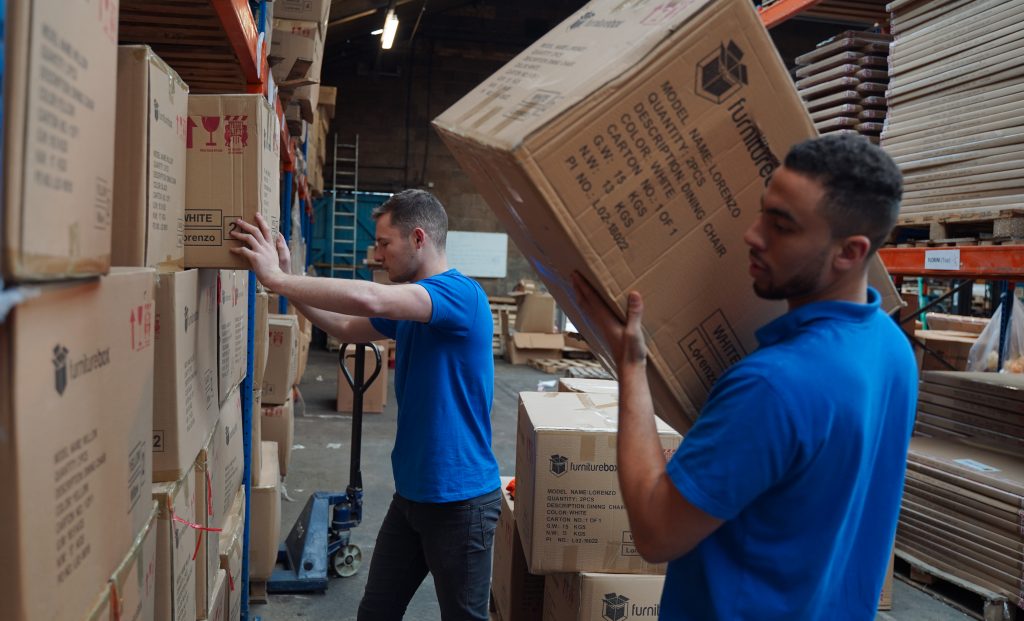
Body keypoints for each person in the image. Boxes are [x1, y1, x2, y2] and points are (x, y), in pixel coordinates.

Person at [573, 133, 917, 620]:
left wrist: (631, 366)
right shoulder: (890, 346)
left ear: (849, 252)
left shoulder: (774, 386)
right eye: (762, 212)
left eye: (781, 226)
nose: (752, 235)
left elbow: (655, 532)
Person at [231, 189, 501, 621]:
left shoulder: (458, 295)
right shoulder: (416, 304)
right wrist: (289, 280)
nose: (377, 255)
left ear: (417, 238)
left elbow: (371, 299)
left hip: (459, 502)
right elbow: (346, 326)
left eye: (384, 243)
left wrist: (276, 281)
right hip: (412, 496)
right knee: (375, 612)